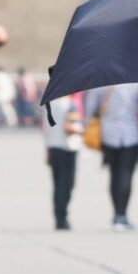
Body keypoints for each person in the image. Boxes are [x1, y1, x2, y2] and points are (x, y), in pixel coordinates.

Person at [85, 82, 138, 231]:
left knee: (114, 175)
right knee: (126, 174)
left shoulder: (101, 82)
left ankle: (116, 215)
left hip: (108, 134)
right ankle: (122, 215)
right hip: (131, 133)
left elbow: (90, 108)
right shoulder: (136, 83)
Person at [44, 93, 83, 231]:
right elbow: (69, 128)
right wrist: (82, 130)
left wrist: (47, 150)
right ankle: (62, 216)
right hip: (68, 147)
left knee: (57, 184)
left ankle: (58, 216)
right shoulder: (69, 104)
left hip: (53, 147)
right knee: (67, 185)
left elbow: (46, 128)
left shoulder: (50, 103)